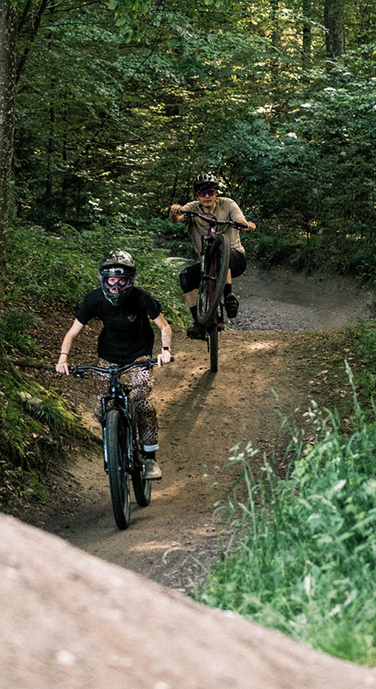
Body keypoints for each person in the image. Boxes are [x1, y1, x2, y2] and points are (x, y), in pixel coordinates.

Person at [55, 250, 172, 480]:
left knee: (142, 399)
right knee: (101, 407)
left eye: (122, 281)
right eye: (111, 280)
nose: (116, 286)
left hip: (139, 354)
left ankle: (149, 458)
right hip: (108, 354)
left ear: (130, 281)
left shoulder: (141, 298)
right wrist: (63, 358)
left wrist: (165, 351)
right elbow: (72, 332)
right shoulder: (93, 299)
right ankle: (115, 437)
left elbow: (164, 327)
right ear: (103, 279)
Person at [169, 173, 256, 339]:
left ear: (216, 192)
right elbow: (178, 218)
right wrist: (174, 211)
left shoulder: (228, 204)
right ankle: (199, 324)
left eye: (210, 192)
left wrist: (246, 226)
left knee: (221, 250)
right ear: (197, 195)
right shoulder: (192, 208)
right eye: (202, 193)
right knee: (186, 277)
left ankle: (229, 296)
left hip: (234, 258)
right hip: (207, 263)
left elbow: (240, 219)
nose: (207, 196)